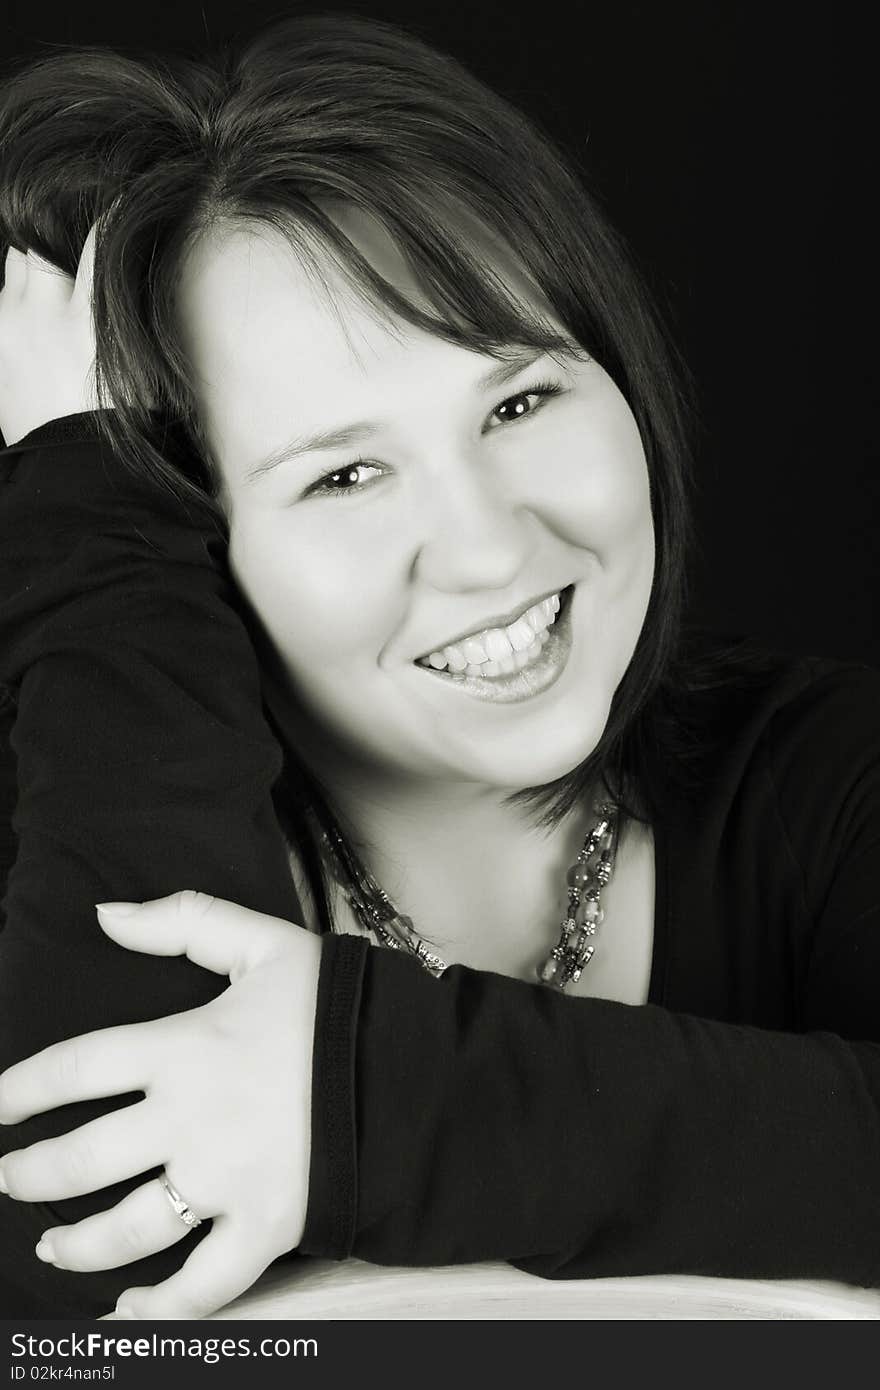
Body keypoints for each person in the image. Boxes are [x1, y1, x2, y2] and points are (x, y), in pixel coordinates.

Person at [1, 13, 879, 1321]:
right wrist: (92, 505)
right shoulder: (64, 841)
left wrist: (362, 1099)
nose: (488, 550)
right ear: (182, 528)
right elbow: (87, 1298)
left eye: (520, 402)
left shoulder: (823, 780)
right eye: (344, 473)